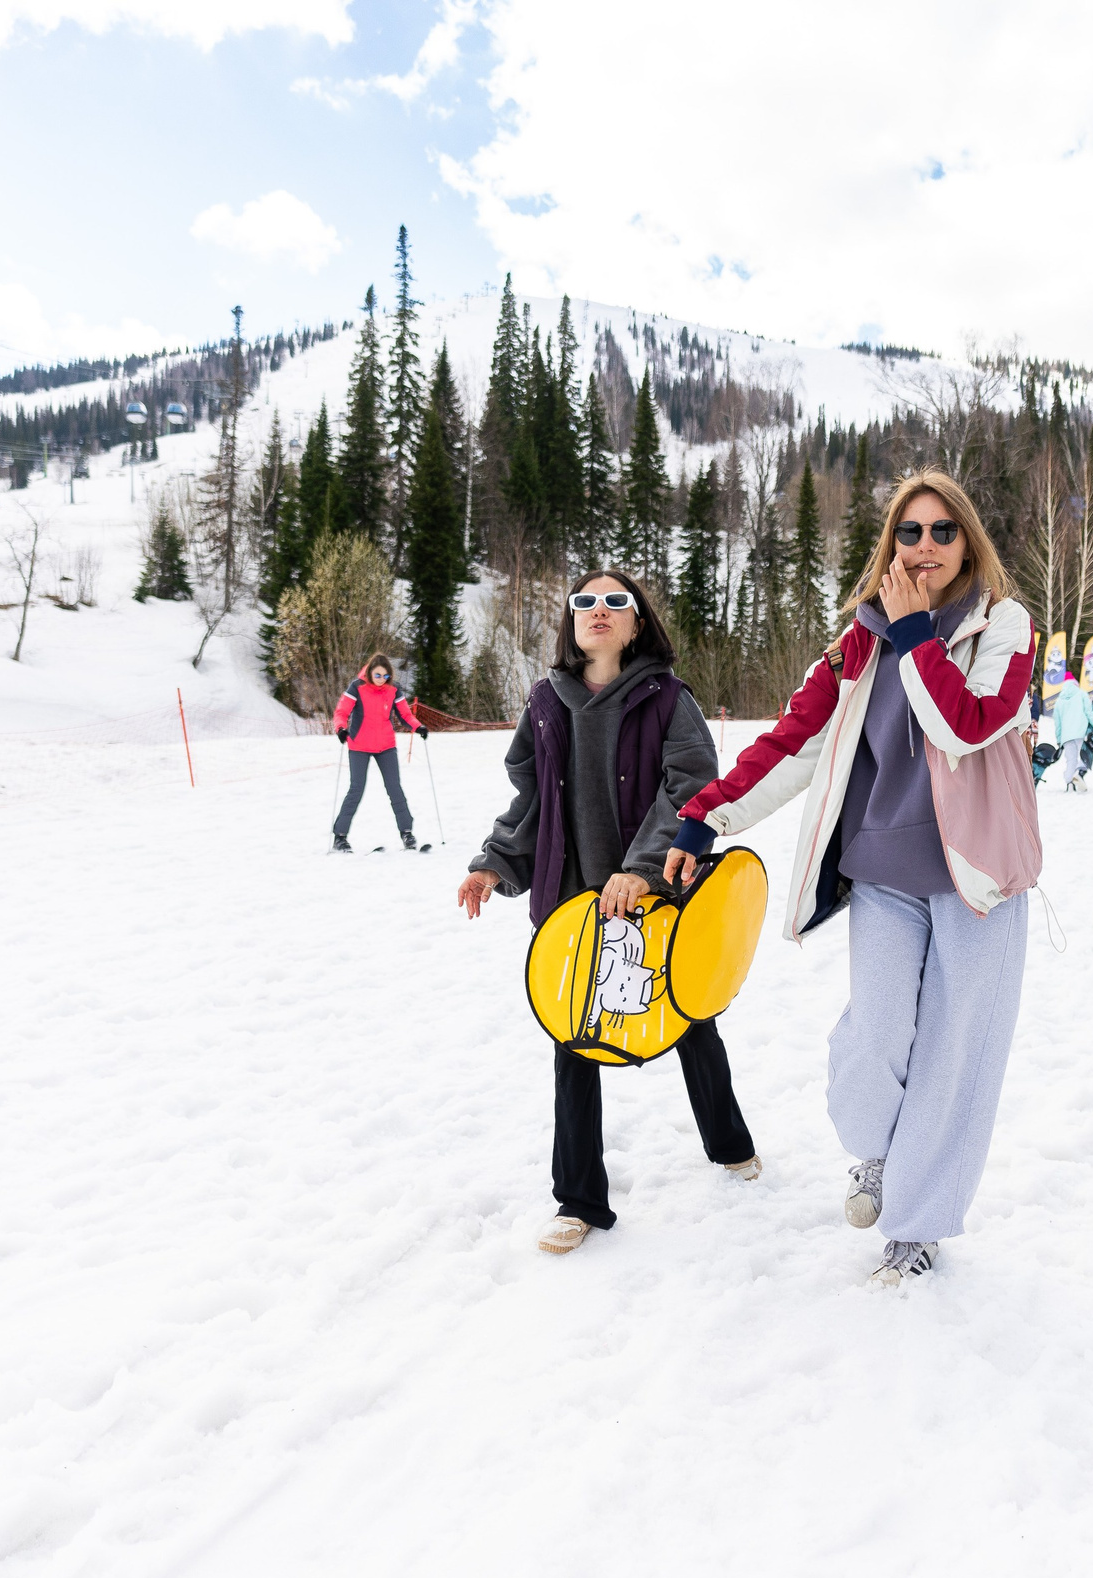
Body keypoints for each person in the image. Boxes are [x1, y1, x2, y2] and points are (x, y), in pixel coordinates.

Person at [663, 467, 1038, 1288]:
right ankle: (876, 1152)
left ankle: (915, 1229)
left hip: (979, 881)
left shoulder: (1003, 625)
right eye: (910, 531)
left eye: (943, 530)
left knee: (954, 1054)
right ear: (890, 543)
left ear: (968, 540)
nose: (926, 545)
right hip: (885, 873)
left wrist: (917, 637)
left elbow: (965, 726)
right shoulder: (859, 641)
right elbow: (792, 742)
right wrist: (707, 814)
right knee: (875, 1035)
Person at [457, 569, 759, 1256]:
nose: (599, 609)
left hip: (654, 899)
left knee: (688, 1018)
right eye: (585, 601)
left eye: (615, 601)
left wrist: (643, 870)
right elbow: (532, 799)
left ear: (637, 622)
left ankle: (730, 1144)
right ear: (571, 622)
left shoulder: (668, 698)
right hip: (574, 902)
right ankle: (579, 1199)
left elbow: (692, 788)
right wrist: (493, 862)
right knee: (571, 1037)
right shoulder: (545, 702)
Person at [333, 654, 425, 850]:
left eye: (385, 676)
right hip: (359, 745)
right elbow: (342, 711)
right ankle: (340, 837)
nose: (381, 679)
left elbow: (405, 714)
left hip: (386, 746)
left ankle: (407, 833)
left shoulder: (393, 690)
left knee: (394, 788)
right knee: (356, 789)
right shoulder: (357, 687)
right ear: (369, 672)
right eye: (377, 675)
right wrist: (341, 728)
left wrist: (418, 727)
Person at [1052, 673, 1093, 788]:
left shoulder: (1059, 700)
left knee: (1071, 759)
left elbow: (1057, 723)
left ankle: (1069, 782)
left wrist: (1059, 739)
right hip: (1080, 732)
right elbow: (1089, 713)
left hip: (1066, 736)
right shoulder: (1082, 694)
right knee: (1085, 755)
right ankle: (1078, 773)